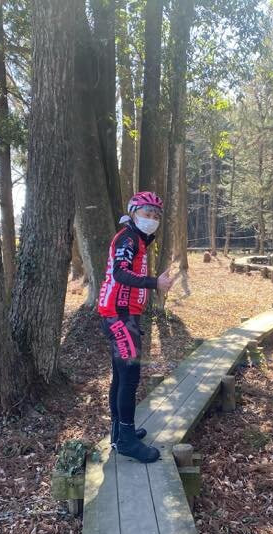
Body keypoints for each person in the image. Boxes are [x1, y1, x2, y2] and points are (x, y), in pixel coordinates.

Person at [98, 191, 174, 463]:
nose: (151, 219)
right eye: (146, 213)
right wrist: (155, 283)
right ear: (133, 213)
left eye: (156, 216)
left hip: (125, 314)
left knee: (121, 376)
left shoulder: (138, 240)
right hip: (119, 315)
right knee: (129, 377)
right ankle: (127, 441)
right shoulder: (128, 238)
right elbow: (120, 272)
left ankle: (120, 433)